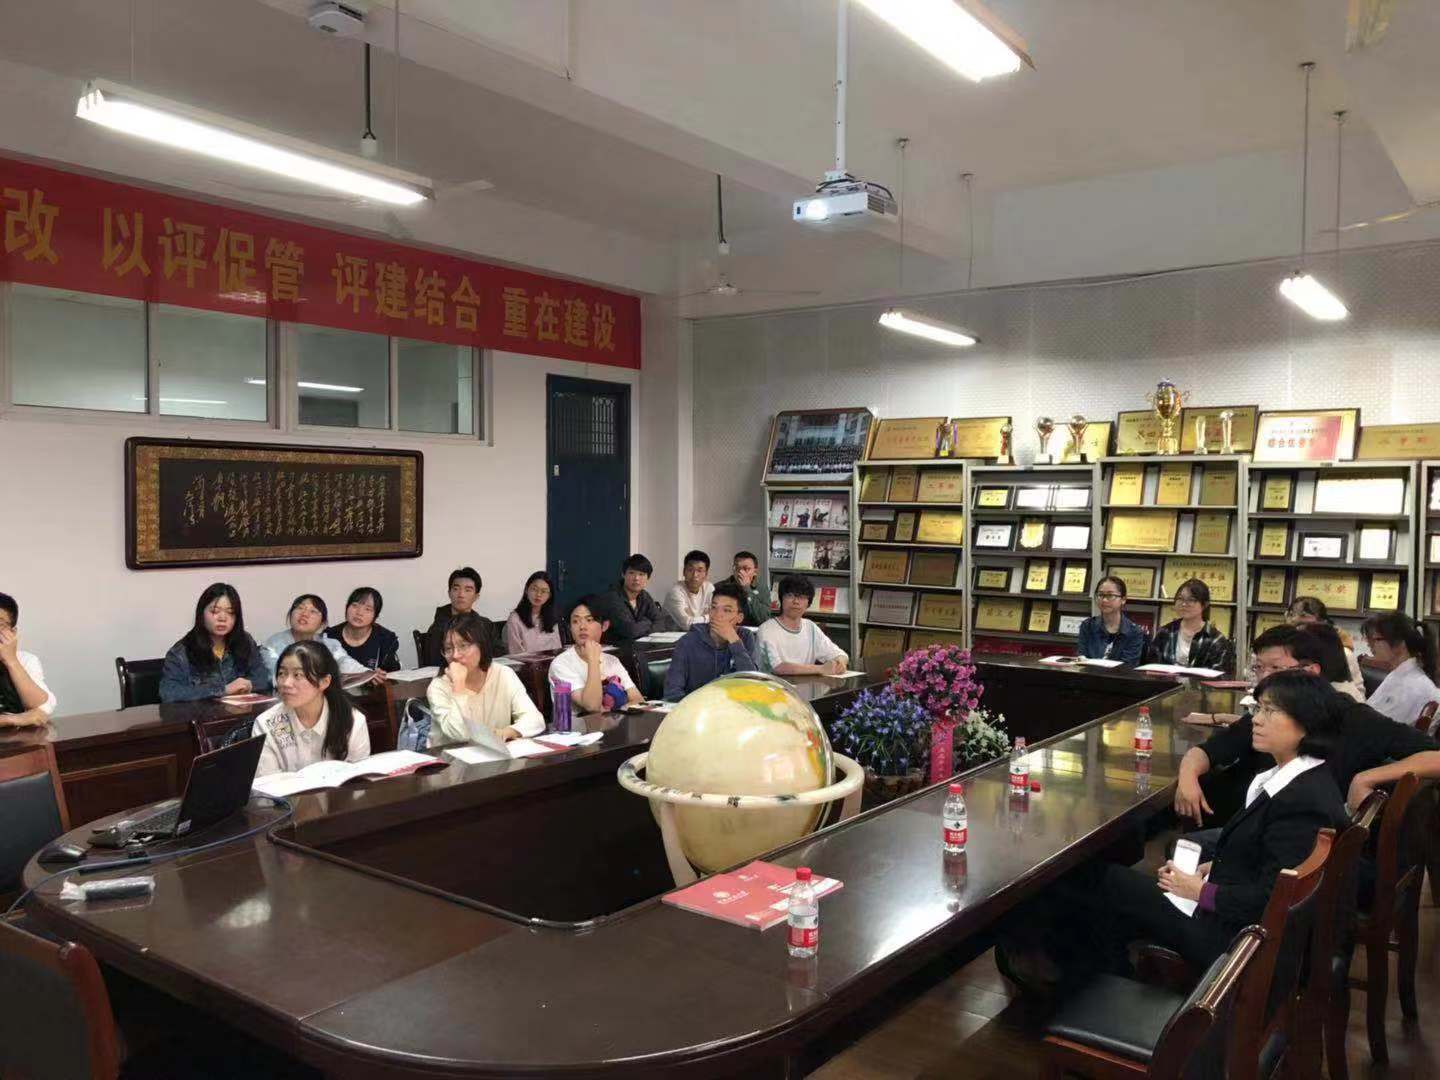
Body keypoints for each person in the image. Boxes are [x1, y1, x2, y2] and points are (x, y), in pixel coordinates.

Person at [1086, 670, 1348, 972]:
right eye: (1258, 708)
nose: (1256, 719)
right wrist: (1215, 867)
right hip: (1229, 912)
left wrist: (1199, 891)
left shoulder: (1302, 801)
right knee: (1106, 890)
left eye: (1269, 711)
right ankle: (1107, 975)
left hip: (1233, 938)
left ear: (1307, 723)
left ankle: (1097, 982)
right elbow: (1266, 857)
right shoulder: (1300, 778)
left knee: (1103, 881)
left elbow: (1272, 897)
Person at [1175, 624, 1440, 825]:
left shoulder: (1352, 716)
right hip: (1253, 822)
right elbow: (1210, 750)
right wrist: (1187, 776)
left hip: (1300, 838)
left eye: (1275, 669)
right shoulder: (1266, 714)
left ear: (1310, 672)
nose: (1264, 678)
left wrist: (1366, 778)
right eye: (1259, 668)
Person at [252, 640, 369, 777]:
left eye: (298, 675)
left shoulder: (353, 720)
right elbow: (268, 783)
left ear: (324, 682)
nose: (286, 683)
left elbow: (359, 780)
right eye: (282, 673)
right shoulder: (266, 723)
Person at [428, 612, 544, 744]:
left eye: (463, 646)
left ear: (482, 646)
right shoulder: (438, 687)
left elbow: (535, 720)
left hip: (495, 753)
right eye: (448, 648)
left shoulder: (503, 674)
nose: (455, 655)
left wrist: (508, 731)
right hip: (449, 755)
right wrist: (459, 687)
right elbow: (460, 734)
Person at [160, 583, 273, 703]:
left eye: (230, 612)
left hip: (243, 712)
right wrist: (223, 690)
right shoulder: (181, 651)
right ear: (201, 613)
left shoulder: (245, 641)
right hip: (201, 714)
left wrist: (248, 685)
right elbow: (169, 693)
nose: (222, 618)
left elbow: (263, 678)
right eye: (215, 611)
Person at [664, 582, 759, 701]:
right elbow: (672, 693)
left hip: (734, 707)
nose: (718, 615)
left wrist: (734, 641)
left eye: (727, 610)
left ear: (739, 618)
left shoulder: (745, 637)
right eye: (714, 608)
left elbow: (753, 684)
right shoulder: (687, 642)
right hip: (695, 707)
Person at [547, 596, 642, 713]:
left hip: (613, 722)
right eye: (575, 621)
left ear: (604, 625)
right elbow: (592, 706)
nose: (582, 627)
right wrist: (593, 660)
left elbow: (638, 700)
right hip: (577, 724)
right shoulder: (560, 664)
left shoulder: (612, 661)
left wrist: (613, 713)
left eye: (589, 620)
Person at [755, 576, 848, 676]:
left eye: (802, 597)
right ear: (781, 599)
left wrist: (839, 662)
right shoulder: (766, 629)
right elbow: (777, 667)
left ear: (808, 603)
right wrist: (820, 669)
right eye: (790, 596)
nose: (796, 601)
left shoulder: (810, 627)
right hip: (774, 685)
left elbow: (840, 654)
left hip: (806, 684)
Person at [1361, 612, 1440, 728]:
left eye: (1375, 639)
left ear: (1401, 644)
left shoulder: (1413, 686)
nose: (1369, 644)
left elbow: (1380, 727)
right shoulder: (1399, 675)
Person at [262, 594, 367, 676]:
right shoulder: (272, 646)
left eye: (313, 611)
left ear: (322, 623)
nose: (304, 614)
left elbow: (345, 662)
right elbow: (276, 677)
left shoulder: (329, 644)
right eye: (300, 608)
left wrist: (368, 673)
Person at [1145, 578, 1235, 673]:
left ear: (1204, 605)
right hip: (1166, 682)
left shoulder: (1216, 639)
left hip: (1201, 683)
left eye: (1191, 600)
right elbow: (1152, 666)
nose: (1184, 604)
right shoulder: (1165, 632)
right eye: (1180, 599)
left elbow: (1220, 675)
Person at [0, 591, 56, 727]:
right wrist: (15, 719)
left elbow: (42, 707)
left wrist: (11, 661)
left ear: (13, 632)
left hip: (16, 739)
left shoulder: (24, 660)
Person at [423, 568, 494, 666]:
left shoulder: (486, 625)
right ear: (449, 593)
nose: (461, 594)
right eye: (456, 589)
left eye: (468, 590)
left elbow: (497, 658)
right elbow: (434, 665)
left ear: (476, 596)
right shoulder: (437, 629)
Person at [1289, 595, 1364, 687]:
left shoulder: (1343, 653)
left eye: (1303, 615)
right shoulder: (1286, 649)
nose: (1294, 619)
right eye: (1292, 614)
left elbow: (1357, 690)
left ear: (1323, 622)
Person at [592, 554, 664, 645]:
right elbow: (630, 630)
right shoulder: (612, 597)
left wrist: (641, 626)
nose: (636, 578)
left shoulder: (644, 596)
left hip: (637, 647)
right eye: (631, 573)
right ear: (623, 574)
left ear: (648, 578)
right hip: (612, 648)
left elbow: (661, 623)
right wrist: (648, 622)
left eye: (641, 574)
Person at [325, 587, 401, 672]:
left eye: (367, 609)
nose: (359, 613)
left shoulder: (386, 639)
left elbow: (393, 672)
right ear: (346, 608)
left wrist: (383, 674)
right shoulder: (329, 636)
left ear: (375, 616)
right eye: (355, 606)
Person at [1075, 576, 1148, 664]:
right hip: (1089, 672)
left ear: (1123, 599)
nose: (1104, 600)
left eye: (1110, 595)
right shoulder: (1087, 625)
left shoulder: (1134, 632)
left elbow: (1128, 666)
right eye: (1100, 595)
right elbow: (1082, 659)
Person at [504, 571, 562, 655]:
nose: (538, 594)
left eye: (543, 591)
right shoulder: (515, 619)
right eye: (534, 589)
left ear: (549, 596)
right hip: (523, 662)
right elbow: (516, 654)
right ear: (526, 590)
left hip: (551, 662)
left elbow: (557, 649)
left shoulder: (552, 617)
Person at [662, 550, 715, 630]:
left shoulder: (709, 588)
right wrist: (710, 617)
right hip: (674, 636)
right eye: (690, 570)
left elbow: (720, 617)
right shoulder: (675, 592)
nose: (695, 575)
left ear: (706, 574)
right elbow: (687, 624)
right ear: (684, 572)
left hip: (698, 634)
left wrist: (696, 619)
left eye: (699, 571)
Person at [717, 550, 769, 628]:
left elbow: (764, 619)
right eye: (737, 568)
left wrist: (747, 589)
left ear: (755, 572)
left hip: (753, 632)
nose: (740, 572)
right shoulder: (721, 587)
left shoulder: (762, 588)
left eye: (746, 569)